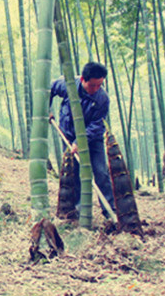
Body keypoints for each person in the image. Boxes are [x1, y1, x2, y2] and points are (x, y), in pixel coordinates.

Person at [49, 61, 115, 218]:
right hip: (68, 135)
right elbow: (48, 89)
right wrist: (47, 109)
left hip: (93, 140)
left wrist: (80, 141)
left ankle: (110, 211)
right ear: (84, 79)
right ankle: (77, 211)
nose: (96, 89)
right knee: (74, 173)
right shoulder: (68, 84)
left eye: (100, 85)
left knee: (101, 172)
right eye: (93, 85)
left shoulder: (102, 99)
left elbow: (97, 125)